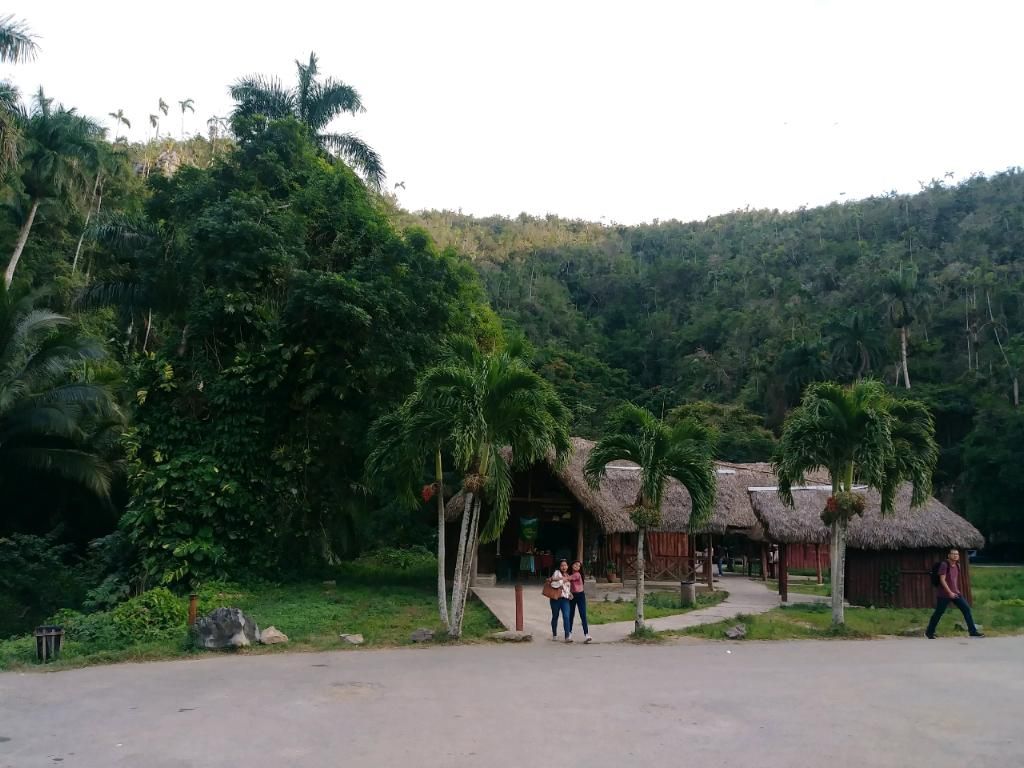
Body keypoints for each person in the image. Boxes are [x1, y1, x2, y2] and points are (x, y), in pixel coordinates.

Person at [926, 549, 984, 639]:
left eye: (957, 554)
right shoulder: (944, 565)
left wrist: (956, 591)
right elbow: (942, 580)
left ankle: (972, 632)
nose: (955, 556)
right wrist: (949, 592)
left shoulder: (957, 565)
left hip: (956, 593)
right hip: (944, 594)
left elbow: (953, 580)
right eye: (953, 554)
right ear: (949, 555)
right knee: (939, 612)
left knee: (966, 609)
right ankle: (929, 632)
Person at [567, 560, 592, 643]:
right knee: (571, 615)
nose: (576, 566)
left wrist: (555, 578)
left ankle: (587, 634)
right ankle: (569, 634)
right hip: (572, 596)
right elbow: (566, 585)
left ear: (580, 568)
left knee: (583, 614)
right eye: (575, 564)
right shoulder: (569, 574)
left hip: (580, 596)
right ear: (572, 565)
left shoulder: (577, 575)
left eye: (579, 565)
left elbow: (567, 579)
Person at [549, 559, 573, 642]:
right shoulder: (557, 573)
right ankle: (554, 634)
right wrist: (563, 580)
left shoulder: (567, 575)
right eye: (562, 565)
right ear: (559, 567)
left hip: (565, 600)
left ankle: (567, 636)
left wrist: (569, 593)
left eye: (565, 565)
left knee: (566, 616)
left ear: (567, 566)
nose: (564, 567)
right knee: (555, 616)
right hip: (555, 599)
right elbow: (553, 583)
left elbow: (566, 587)